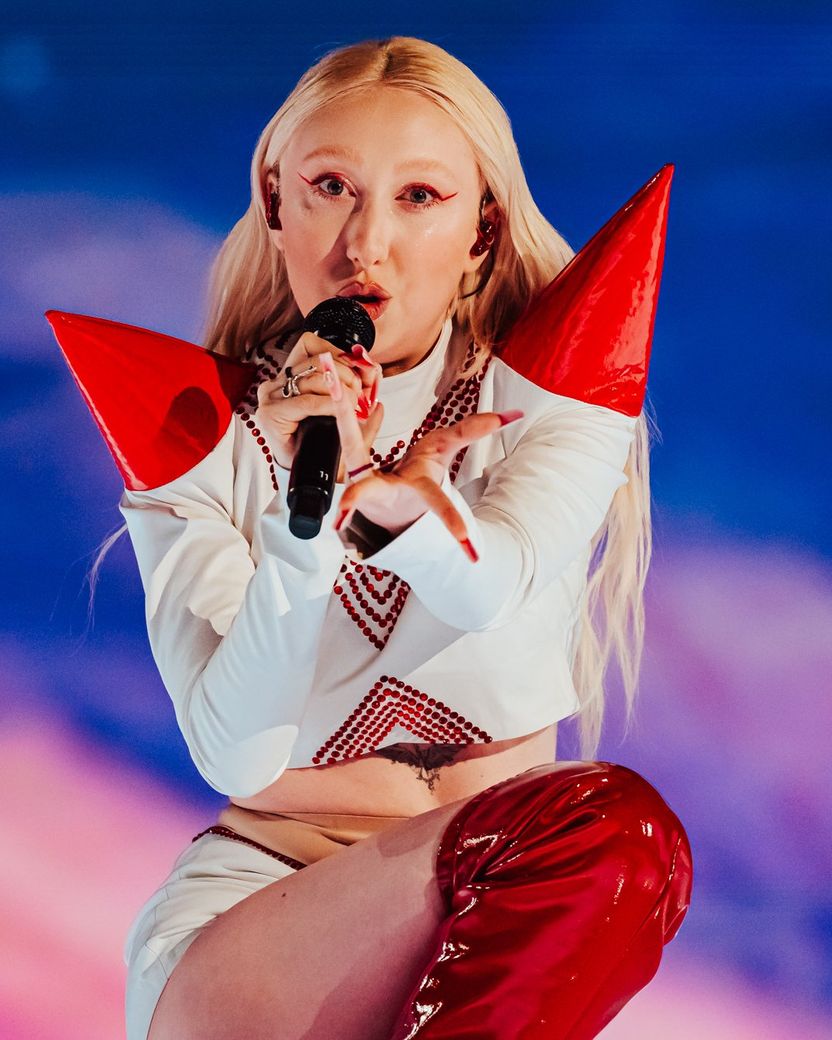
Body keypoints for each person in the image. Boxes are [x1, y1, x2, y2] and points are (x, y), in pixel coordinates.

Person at [50, 35, 692, 1040]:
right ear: (274, 203)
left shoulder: (548, 404)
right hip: (260, 924)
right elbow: (236, 743)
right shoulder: (204, 450)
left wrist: (400, 510)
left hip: (499, 927)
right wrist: (308, 517)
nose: (367, 245)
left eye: (418, 197)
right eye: (331, 187)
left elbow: (500, 592)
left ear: (482, 230)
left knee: (616, 835)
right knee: (603, 830)